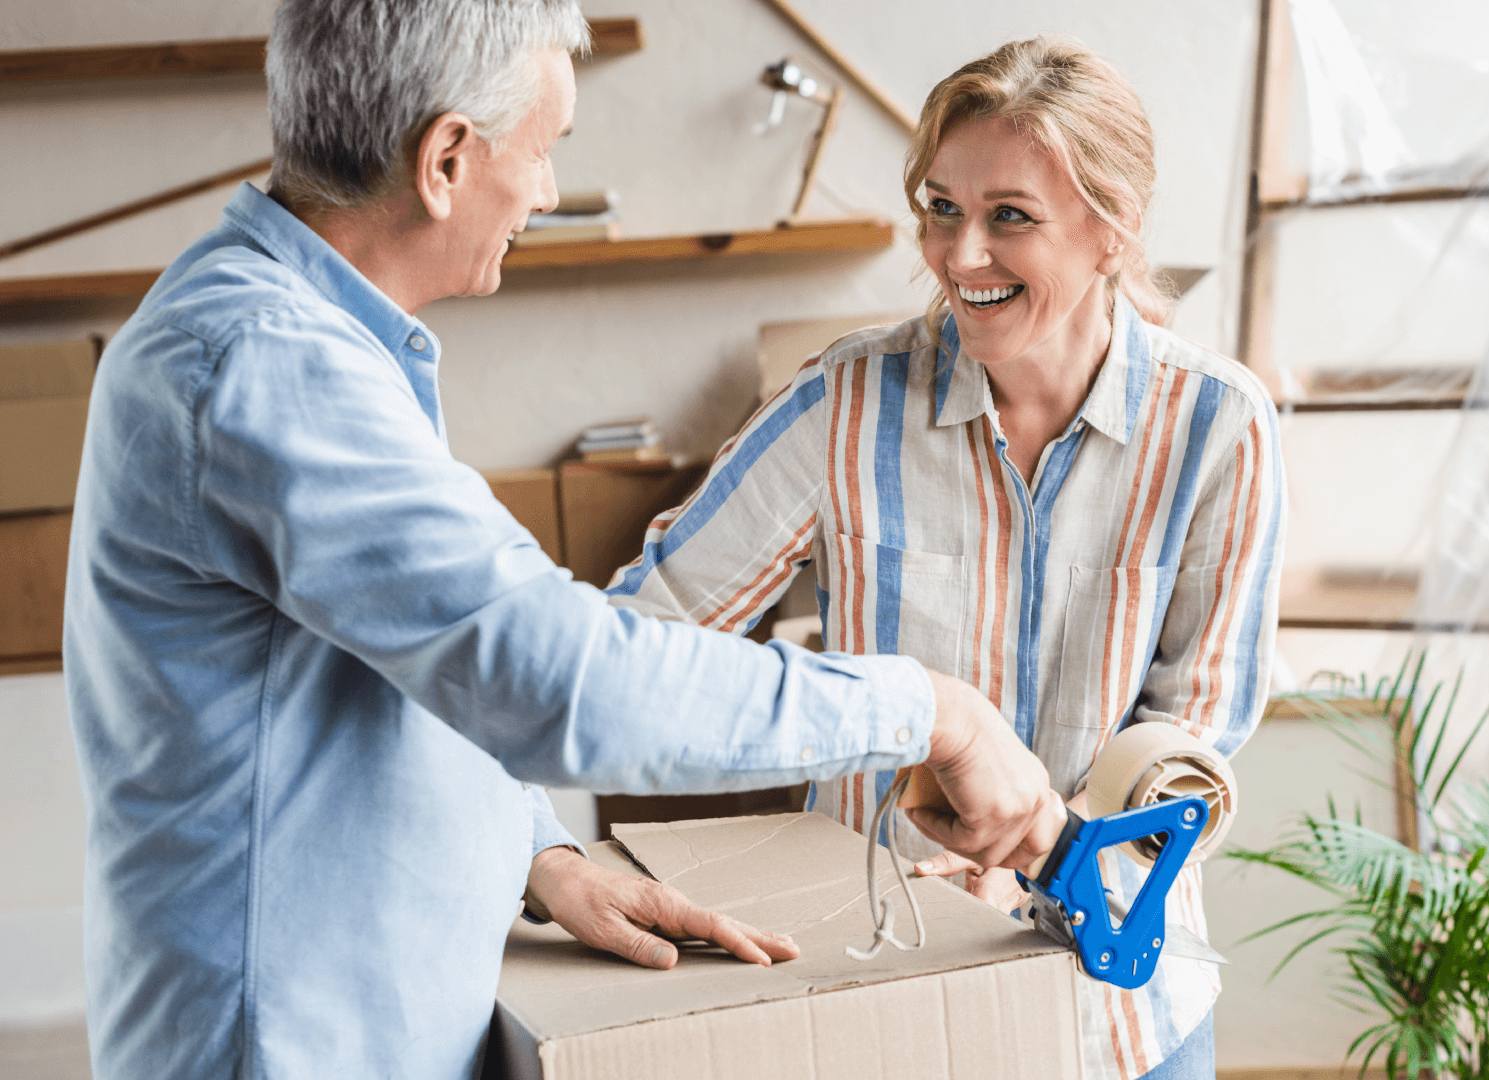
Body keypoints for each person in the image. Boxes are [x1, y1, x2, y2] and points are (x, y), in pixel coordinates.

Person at [61, 3, 1066, 1078]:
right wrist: (930, 711)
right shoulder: (265, 367)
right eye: (543, 151)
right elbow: (558, 679)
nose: (544, 190)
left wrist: (533, 850)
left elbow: (428, 654)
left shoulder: (319, 343)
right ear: (445, 159)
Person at [605, 35, 1285, 1080]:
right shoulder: (841, 405)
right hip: (883, 998)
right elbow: (637, 642)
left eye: (1009, 216)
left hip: (1121, 1017)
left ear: (1115, 230)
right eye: (940, 208)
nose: (960, 257)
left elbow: (1195, 739)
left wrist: (1053, 858)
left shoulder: (1215, 428)